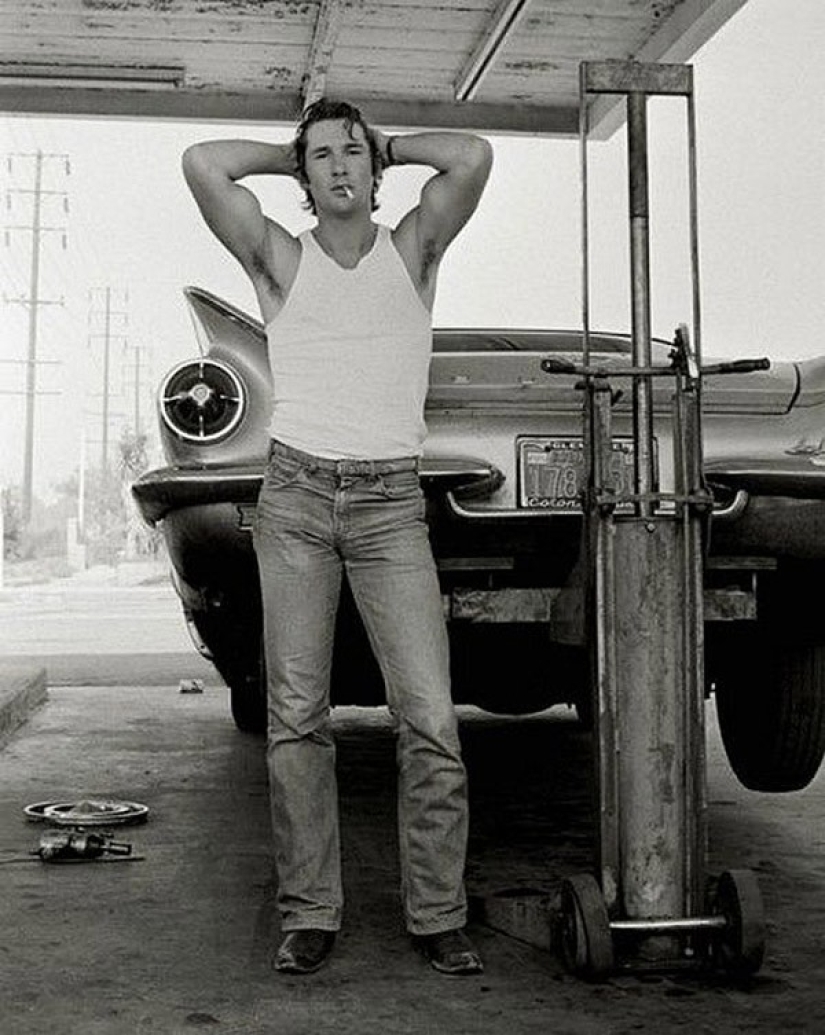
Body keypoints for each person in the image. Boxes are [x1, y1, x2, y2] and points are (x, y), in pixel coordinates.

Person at [181, 98, 492, 976]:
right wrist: (294, 153)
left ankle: (438, 915)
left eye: (353, 152)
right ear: (305, 175)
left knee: (428, 715)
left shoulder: (412, 251)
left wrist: (386, 142)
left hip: (391, 505)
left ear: (376, 167)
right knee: (296, 716)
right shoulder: (281, 261)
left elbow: (471, 155)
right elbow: (203, 161)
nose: (341, 165)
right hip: (297, 500)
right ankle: (310, 912)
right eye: (323, 156)